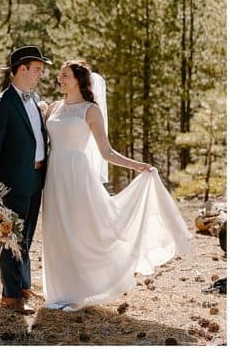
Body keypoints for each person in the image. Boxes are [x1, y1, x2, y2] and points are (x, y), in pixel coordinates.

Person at [39, 60, 191, 311]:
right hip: (54, 176)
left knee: (80, 231)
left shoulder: (90, 110)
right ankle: (60, 293)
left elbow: (106, 152)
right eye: (59, 76)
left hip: (78, 176)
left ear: (78, 79)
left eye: (65, 76)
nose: (60, 80)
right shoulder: (53, 108)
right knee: (56, 232)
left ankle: (78, 294)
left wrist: (138, 166)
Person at [0, 46, 50, 315]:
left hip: (36, 178)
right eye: (37, 70)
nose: (40, 75)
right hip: (14, 180)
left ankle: (23, 288)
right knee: (12, 237)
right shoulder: (2, 102)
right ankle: (11, 296)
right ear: (22, 69)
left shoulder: (34, 100)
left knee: (27, 237)